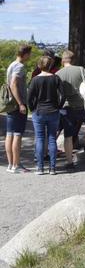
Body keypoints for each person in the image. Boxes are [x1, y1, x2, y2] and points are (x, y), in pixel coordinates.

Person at [57, 50, 85, 170]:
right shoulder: (80, 69)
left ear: (63, 60)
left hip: (66, 107)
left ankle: (70, 162)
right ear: (73, 59)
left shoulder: (58, 74)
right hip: (82, 105)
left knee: (68, 136)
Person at [28, 55, 65, 175]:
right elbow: (63, 95)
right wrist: (59, 106)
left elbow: (30, 97)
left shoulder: (35, 80)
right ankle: (53, 168)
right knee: (52, 139)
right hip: (53, 111)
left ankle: (40, 168)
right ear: (51, 66)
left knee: (40, 139)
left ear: (39, 65)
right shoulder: (56, 78)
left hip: (39, 111)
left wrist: (32, 108)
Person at [5, 44, 32, 173]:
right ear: (25, 54)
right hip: (17, 104)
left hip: (10, 104)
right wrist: (21, 103)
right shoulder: (20, 66)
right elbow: (13, 83)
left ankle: (11, 165)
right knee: (17, 135)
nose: (30, 56)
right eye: (29, 54)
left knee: (9, 134)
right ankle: (16, 165)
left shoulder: (11, 64)